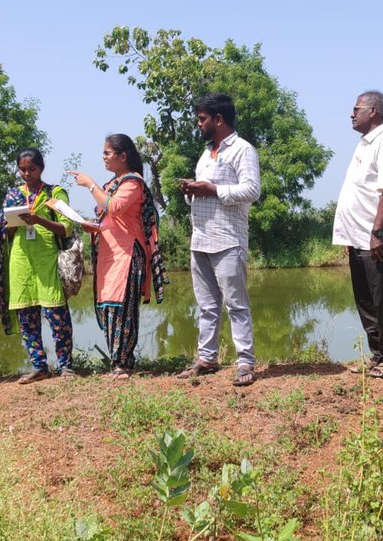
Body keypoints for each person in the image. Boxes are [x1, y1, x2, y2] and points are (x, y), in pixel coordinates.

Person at [175, 93, 260, 386]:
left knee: (236, 304)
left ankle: (246, 362)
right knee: (207, 305)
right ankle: (207, 358)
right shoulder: (205, 154)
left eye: (202, 119)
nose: (199, 125)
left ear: (218, 120)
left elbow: (251, 190)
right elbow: (206, 191)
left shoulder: (242, 149)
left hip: (227, 238)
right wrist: (193, 191)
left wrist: (212, 189)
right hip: (200, 238)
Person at [68, 134, 168, 379]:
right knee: (110, 307)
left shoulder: (133, 183)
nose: (103, 157)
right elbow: (109, 216)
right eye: (103, 153)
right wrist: (92, 225)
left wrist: (90, 185)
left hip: (127, 254)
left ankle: (124, 364)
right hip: (109, 255)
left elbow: (114, 207)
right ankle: (116, 364)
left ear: (123, 157)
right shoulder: (112, 184)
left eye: (107, 153)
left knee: (123, 308)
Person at [332, 90, 383, 378]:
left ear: (373, 111)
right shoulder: (364, 144)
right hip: (358, 238)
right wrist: (352, 237)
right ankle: (378, 354)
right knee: (365, 300)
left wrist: (377, 233)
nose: (352, 114)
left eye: (356, 109)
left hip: (377, 240)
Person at [0, 148, 76, 383]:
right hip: (20, 261)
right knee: (27, 318)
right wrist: (13, 223)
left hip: (47, 259)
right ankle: (39, 366)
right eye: (22, 169)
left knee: (57, 315)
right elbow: (3, 231)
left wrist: (38, 219)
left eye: (32, 169)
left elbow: (67, 227)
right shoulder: (12, 195)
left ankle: (66, 366)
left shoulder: (54, 193)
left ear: (42, 168)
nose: (27, 173)